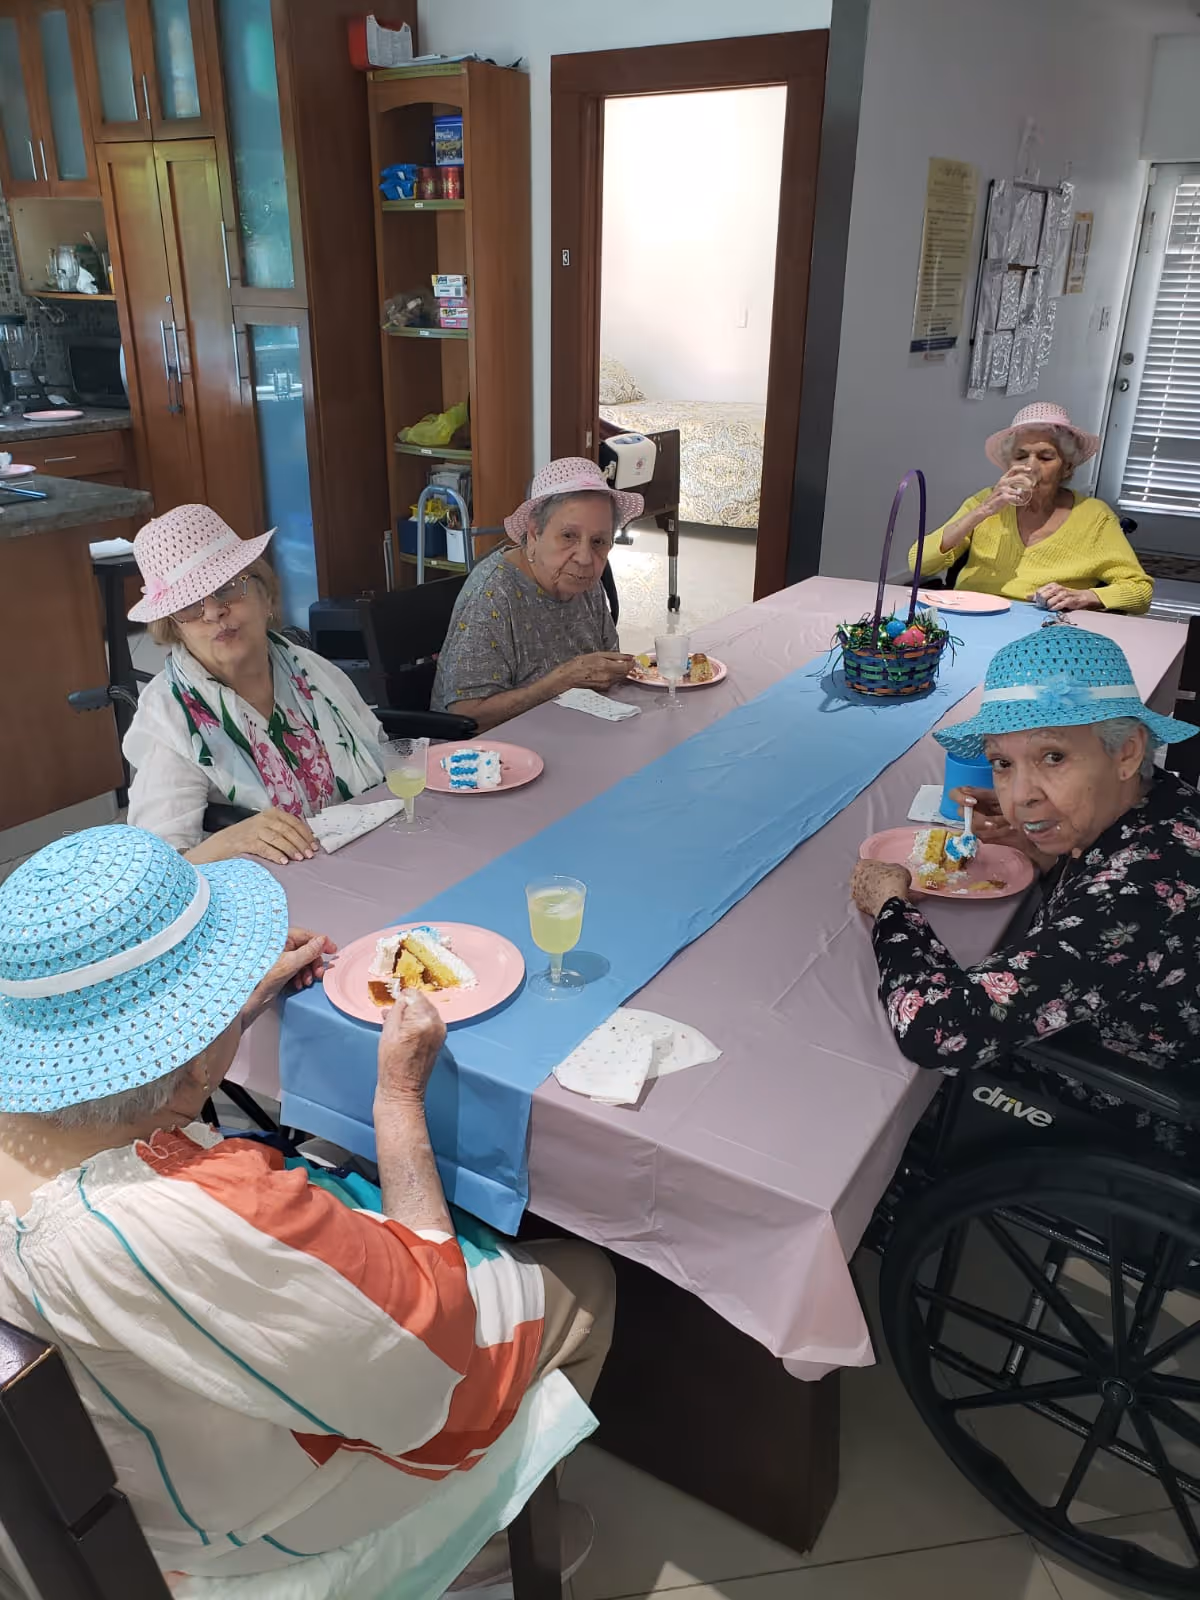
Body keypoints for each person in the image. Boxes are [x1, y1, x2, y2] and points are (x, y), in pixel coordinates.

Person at [0, 826, 613, 1600]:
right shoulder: (198, 1210)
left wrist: (225, 1023)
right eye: (217, 996)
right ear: (187, 1055)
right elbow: (423, 1350)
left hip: (112, 1451)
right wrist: (398, 1098)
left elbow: (138, 1103)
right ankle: (477, 1550)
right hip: (233, 1513)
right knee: (584, 1278)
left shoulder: (56, 1134)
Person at [850, 623, 1200, 1155]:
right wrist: (1044, 845)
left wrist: (891, 905)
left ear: (1127, 752)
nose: (1019, 798)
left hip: (1132, 1104)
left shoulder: (1135, 899)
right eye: (1003, 765)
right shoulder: (1166, 807)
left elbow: (939, 1031)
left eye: (1053, 757)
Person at [124, 505, 388, 865]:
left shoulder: (310, 668)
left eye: (226, 589)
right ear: (175, 629)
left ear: (265, 596)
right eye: (188, 606)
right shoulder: (169, 717)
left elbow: (384, 757)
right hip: (268, 894)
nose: (213, 612)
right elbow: (159, 869)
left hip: (366, 857)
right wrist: (232, 840)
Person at [432, 458, 638, 731]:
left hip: (572, 735)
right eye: (568, 536)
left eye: (599, 541)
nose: (586, 558)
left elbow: (608, 666)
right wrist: (560, 682)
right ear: (534, 534)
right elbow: (468, 716)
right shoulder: (494, 594)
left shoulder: (583, 581)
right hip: (490, 758)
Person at [910, 402, 1152, 615]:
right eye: (1020, 456)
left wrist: (1085, 597)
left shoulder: (1093, 515)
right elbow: (919, 563)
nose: (1029, 467)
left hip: (1047, 632)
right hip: (972, 615)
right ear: (1008, 464)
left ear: (1067, 468)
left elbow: (1140, 592)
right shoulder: (986, 501)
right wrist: (981, 512)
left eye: (1045, 458)